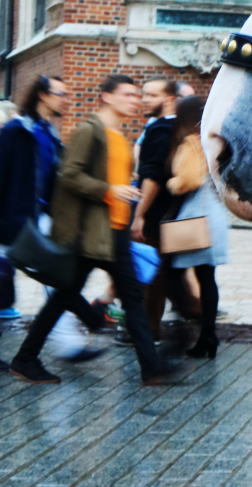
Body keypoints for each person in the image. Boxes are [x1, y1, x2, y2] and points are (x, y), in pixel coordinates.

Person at [8, 71, 179, 387]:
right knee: (65, 297)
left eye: (136, 95)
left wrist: (124, 195)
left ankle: (151, 368)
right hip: (90, 236)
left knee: (129, 297)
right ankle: (25, 359)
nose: (135, 101)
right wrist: (109, 190)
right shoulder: (90, 131)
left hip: (113, 233)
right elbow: (69, 176)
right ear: (107, 96)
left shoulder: (119, 136)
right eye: (128, 95)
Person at [0, 75, 108, 348]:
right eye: (61, 94)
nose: (66, 100)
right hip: (10, 223)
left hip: (41, 222)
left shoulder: (50, 135)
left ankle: (69, 346)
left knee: (58, 281)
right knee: (2, 290)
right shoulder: (15, 132)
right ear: (43, 95)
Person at [157, 94, 229, 360]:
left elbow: (187, 180)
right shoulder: (214, 141)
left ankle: (197, 331)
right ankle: (208, 335)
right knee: (207, 277)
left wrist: (171, 183)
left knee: (174, 274)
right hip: (213, 214)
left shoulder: (189, 142)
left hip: (195, 216)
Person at [133, 76, 198, 340]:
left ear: (169, 99)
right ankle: (193, 319)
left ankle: (148, 333)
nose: (144, 100)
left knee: (156, 279)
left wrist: (139, 214)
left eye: (151, 95)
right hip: (178, 217)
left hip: (158, 217)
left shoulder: (160, 129)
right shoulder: (182, 129)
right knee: (169, 278)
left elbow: (152, 177)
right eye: (144, 94)